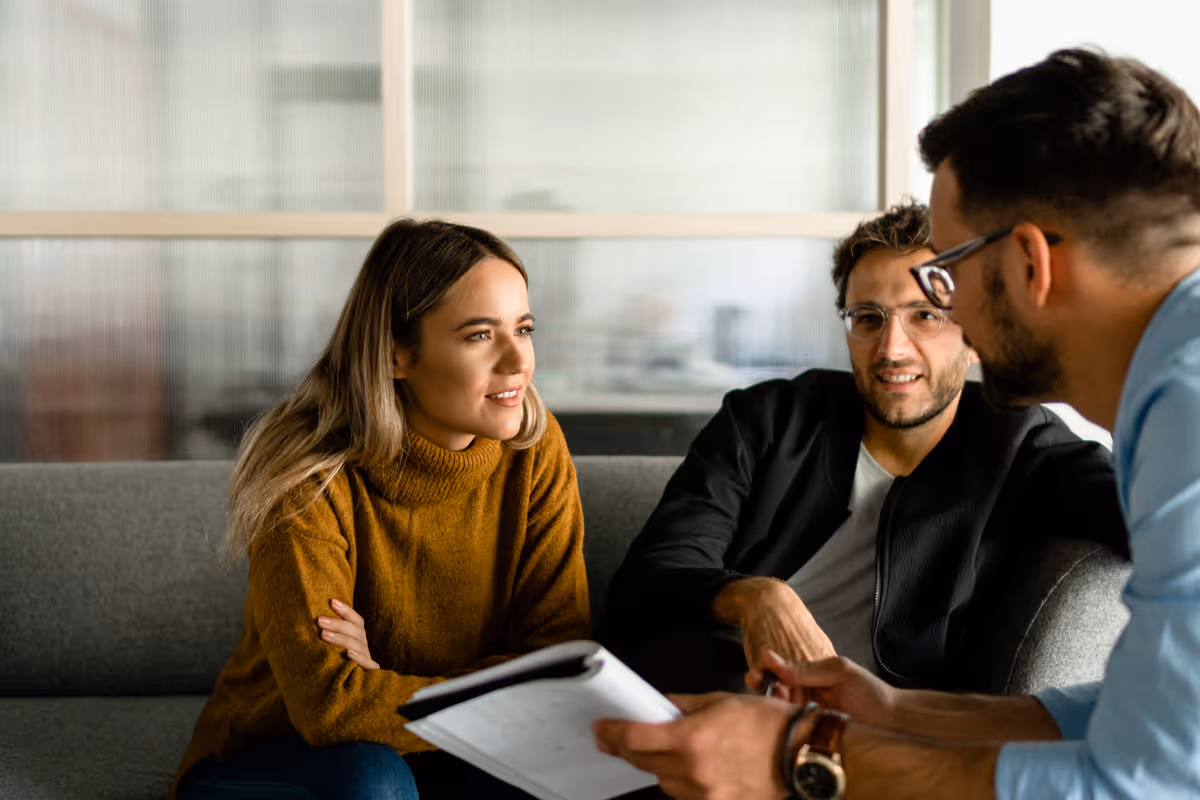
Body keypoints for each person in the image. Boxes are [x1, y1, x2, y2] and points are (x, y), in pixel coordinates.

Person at [593, 48, 1200, 799]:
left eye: (944, 283)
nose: (906, 342)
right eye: (869, 318)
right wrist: (892, 709)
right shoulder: (1173, 389)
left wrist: (801, 753)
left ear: (1030, 264)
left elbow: (1149, 779)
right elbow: (1146, 727)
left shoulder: (1181, 418)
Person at [601, 200, 1126, 696]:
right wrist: (757, 597)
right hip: (697, 689)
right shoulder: (766, 418)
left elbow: (1155, 515)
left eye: (925, 315)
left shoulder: (1020, 443)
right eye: (868, 319)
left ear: (973, 336)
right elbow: (651, 576)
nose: (891, 348)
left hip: (861, 737)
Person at [172, 219, 590, 800]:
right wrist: (499, 684)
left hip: (430, 739)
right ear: (397, 354)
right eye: (479, 335)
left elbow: (560, 664)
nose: (519, 360)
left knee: (570, 774)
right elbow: (330, 708)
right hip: (280, 755)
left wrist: (384, 684)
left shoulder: (534, 449)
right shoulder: (307, 476)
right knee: (373, 780)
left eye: (524, 328)